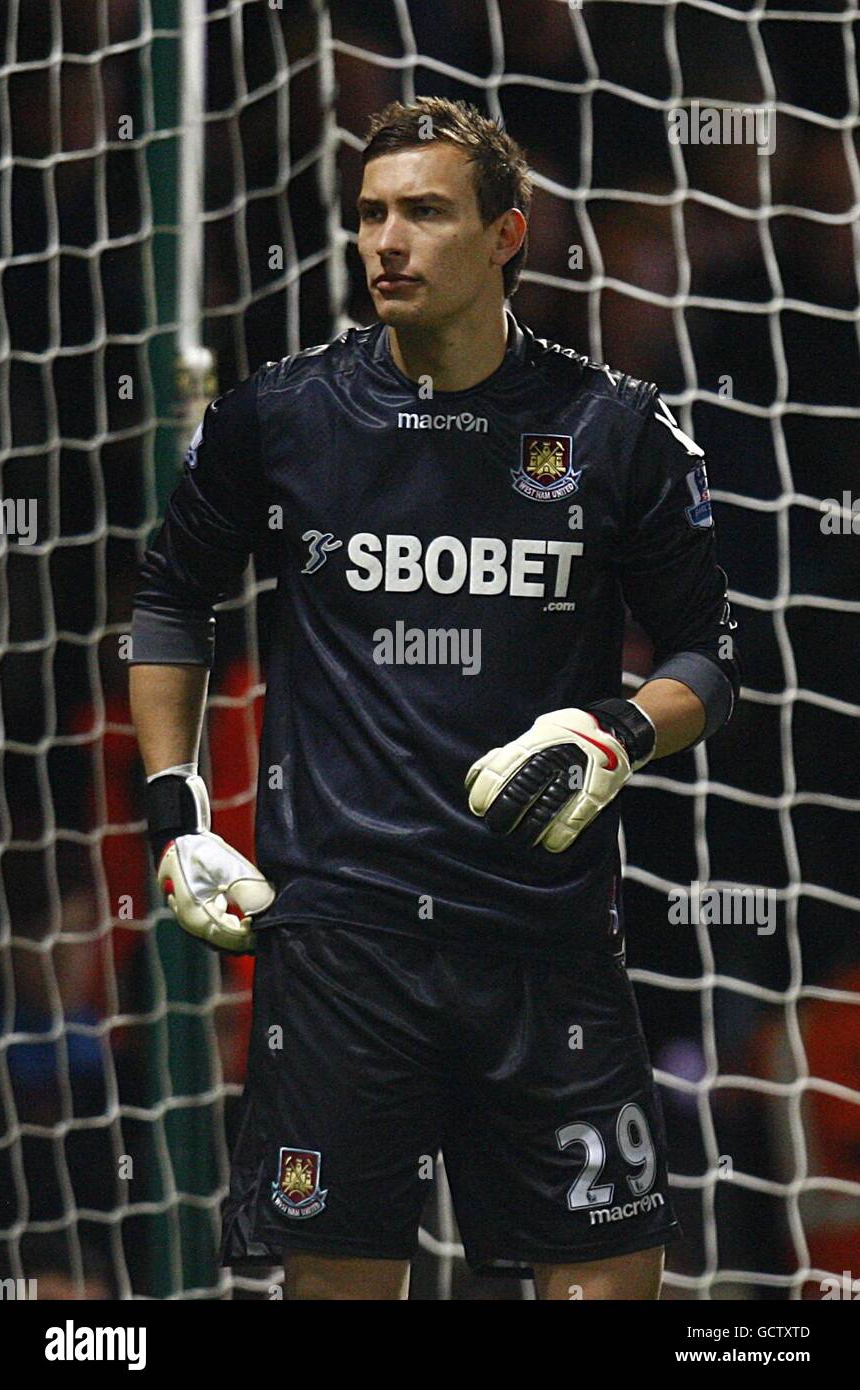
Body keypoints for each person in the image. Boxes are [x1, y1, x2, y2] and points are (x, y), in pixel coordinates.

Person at [128, 96, 741, 1301]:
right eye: (368, 216)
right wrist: (173, 807)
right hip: (343, 944)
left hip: (546, 942)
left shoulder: (613, 430)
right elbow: (170, 603)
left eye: (423, 212)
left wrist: (612, 736)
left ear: (508, 234)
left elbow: (708, 658)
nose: (385, 243)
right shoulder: (279, 416)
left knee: (613, 1285)